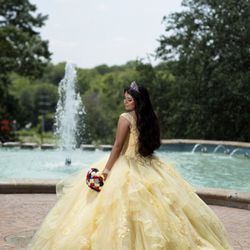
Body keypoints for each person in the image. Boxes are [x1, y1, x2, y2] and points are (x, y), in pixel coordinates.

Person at [28, 82, 233, 250]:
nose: (125, 102)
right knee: (160, 209)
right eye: (124, 98)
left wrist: (106, 171)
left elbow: (117, 146)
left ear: (137, 101)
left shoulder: (125, 118)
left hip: (127, 164)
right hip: (149, 164)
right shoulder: (149, 118)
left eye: (129, 99)